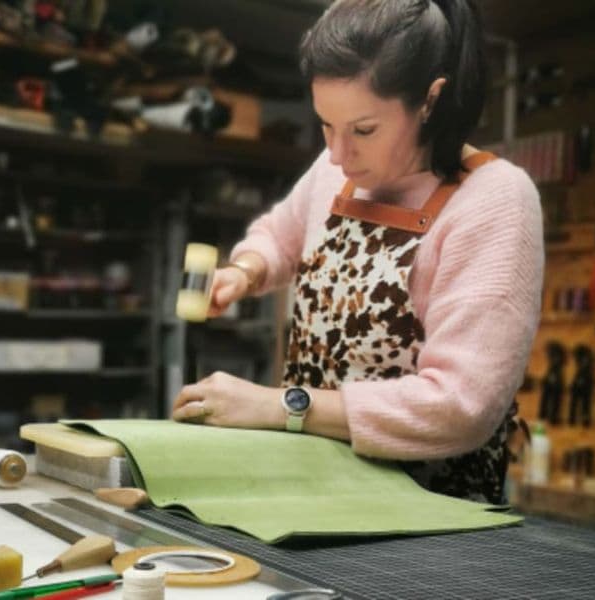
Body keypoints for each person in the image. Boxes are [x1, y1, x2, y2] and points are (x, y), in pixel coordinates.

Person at [172, 0, 543, 505]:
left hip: (429, 517)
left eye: (363, 130)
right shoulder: (336, 171)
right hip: (308, 490)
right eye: (326, 124)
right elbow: (280, 233)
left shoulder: (494, 200)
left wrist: (282, 407)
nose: (337, 154)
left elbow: (460, 406)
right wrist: (245, 270)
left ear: (431, 101)